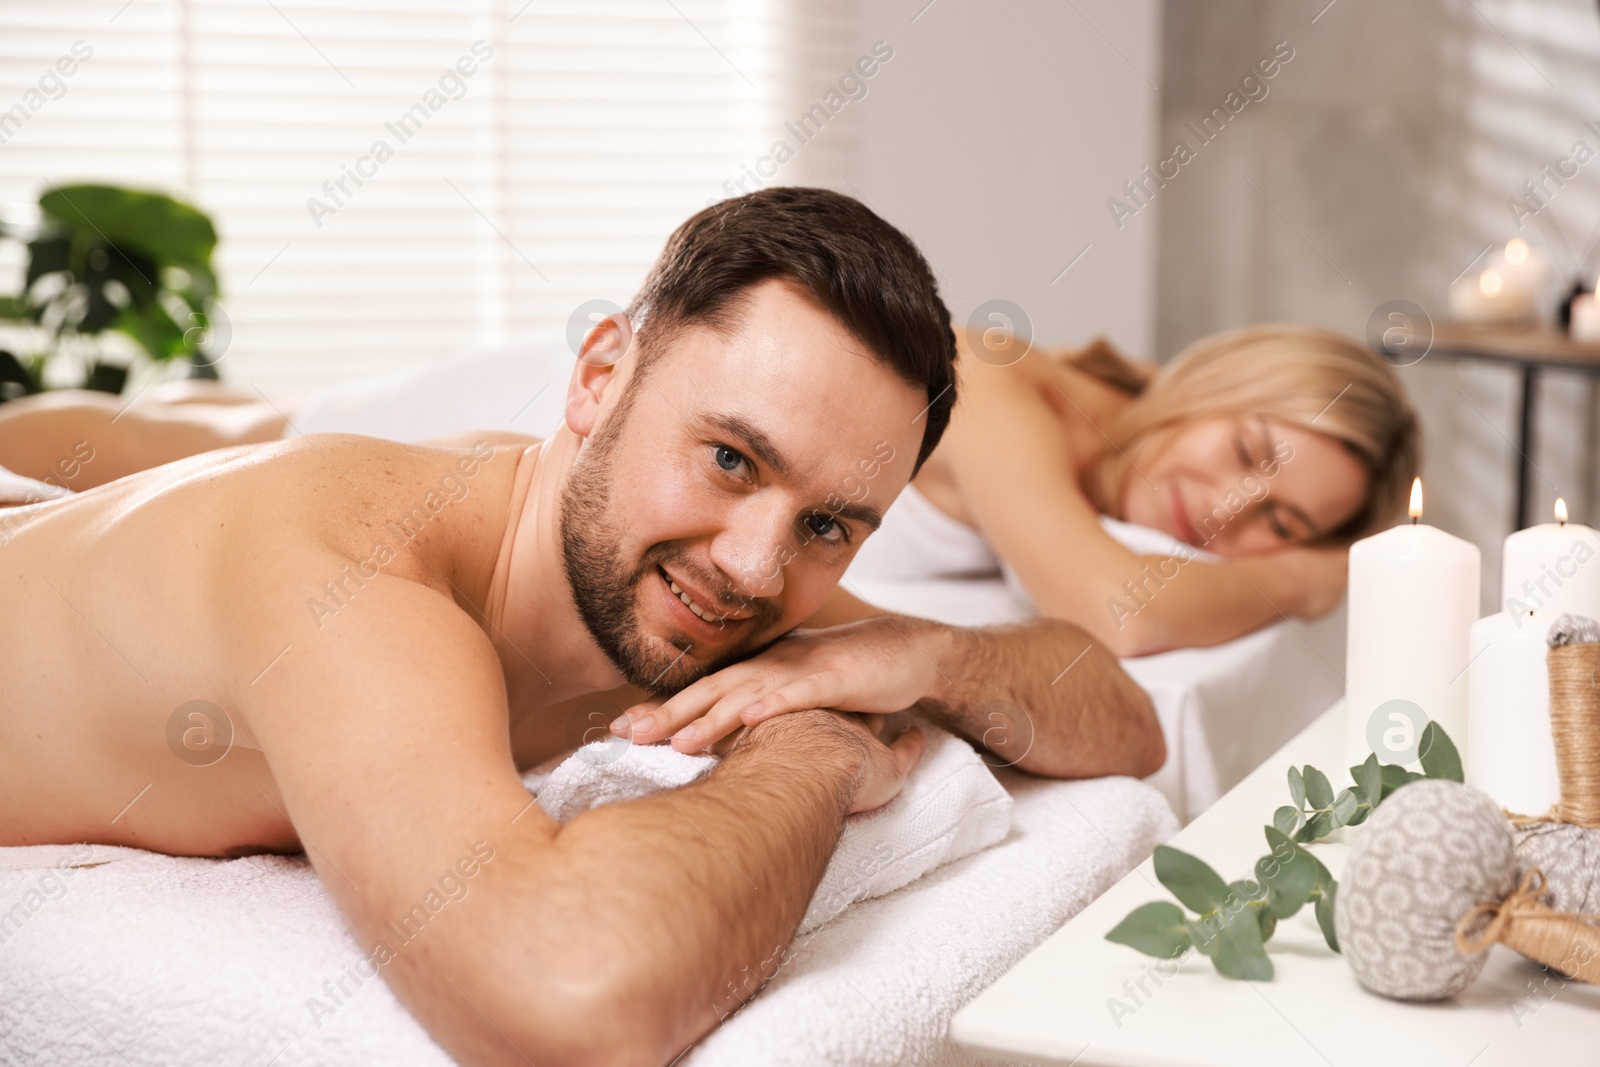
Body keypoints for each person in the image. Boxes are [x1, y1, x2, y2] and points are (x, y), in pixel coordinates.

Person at [0, 187, 1160, 1067]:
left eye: (829, 525)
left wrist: (927, 655)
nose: (755, 565)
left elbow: (1121, 716)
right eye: (727, 457)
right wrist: (817, 745)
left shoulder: (716, 582)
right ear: (601, 374)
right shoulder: (354, 573)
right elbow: (567, 998)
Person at [840, 324, 1420, 658]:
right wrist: (1307, 578)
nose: (1225, 509)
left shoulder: (1135, 415)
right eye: (1246, 451)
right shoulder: (987, 377)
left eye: (1282, 525)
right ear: (1205, 385)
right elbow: (1120, 614)